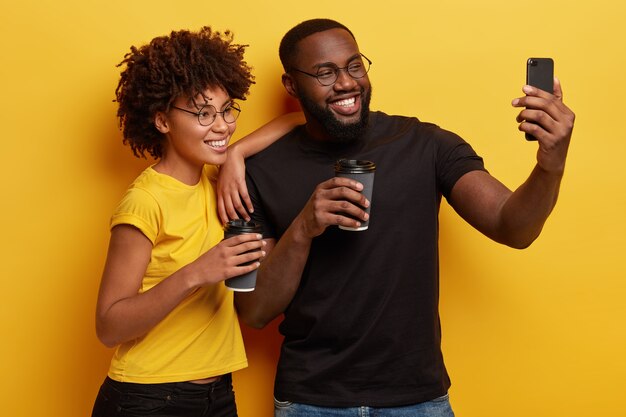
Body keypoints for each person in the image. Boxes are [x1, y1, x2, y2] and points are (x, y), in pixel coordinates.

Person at [219, 18, 575, 416]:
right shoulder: (258, 172)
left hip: (418, 400)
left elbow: (514, 227)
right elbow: (253, 313)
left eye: (355, 65)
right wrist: (304, 226)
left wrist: (551, 163)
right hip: (311, 402)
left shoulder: (426, 145)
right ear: (291, 86)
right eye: (325, 72)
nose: (346, 83)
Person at [92, 27, 300, 417]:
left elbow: (297, 121)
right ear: (162, 122)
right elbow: (109, 325)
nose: (221, 125)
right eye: (203, 113)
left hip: (217, 393)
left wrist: (236, 154)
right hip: (149, 397)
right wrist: (197, 273)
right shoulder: (145, 201)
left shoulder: (219, 182)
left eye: (226, 110)